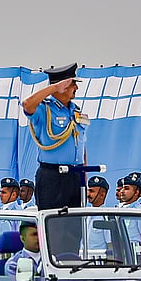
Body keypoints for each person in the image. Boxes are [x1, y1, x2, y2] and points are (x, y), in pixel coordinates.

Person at [22, 63, 89, 210]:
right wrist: (53, 88)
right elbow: (27, 104)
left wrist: (84, 177)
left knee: (74, 226)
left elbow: (81, 146)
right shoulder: (44, 109)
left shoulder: (75, 110)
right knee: (52, 224)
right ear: (62, 86)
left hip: (75, 175)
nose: (76, 88)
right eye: (72, 84)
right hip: (52, 176)